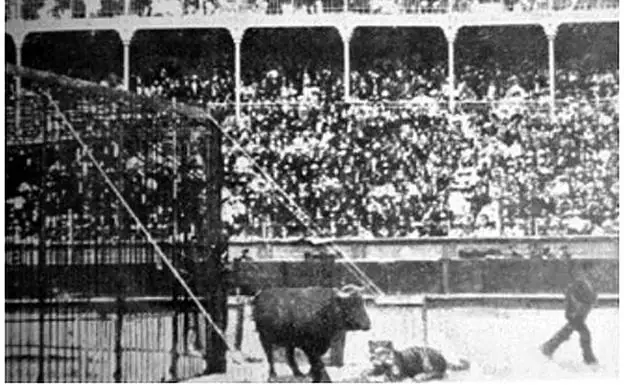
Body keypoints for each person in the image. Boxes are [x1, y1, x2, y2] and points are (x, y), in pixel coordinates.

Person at [540, 260, 598, 365]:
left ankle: (548, 347)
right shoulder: (579, 283)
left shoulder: (587, 283)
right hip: (576, 313)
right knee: (583, 334)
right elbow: (571, 297)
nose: (591, 273)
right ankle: (589, 358)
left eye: (592, 271)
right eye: (589, 271)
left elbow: (591, 298)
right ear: (584, 271)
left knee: (568, 332)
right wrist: (573, 310)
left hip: (580, 313)